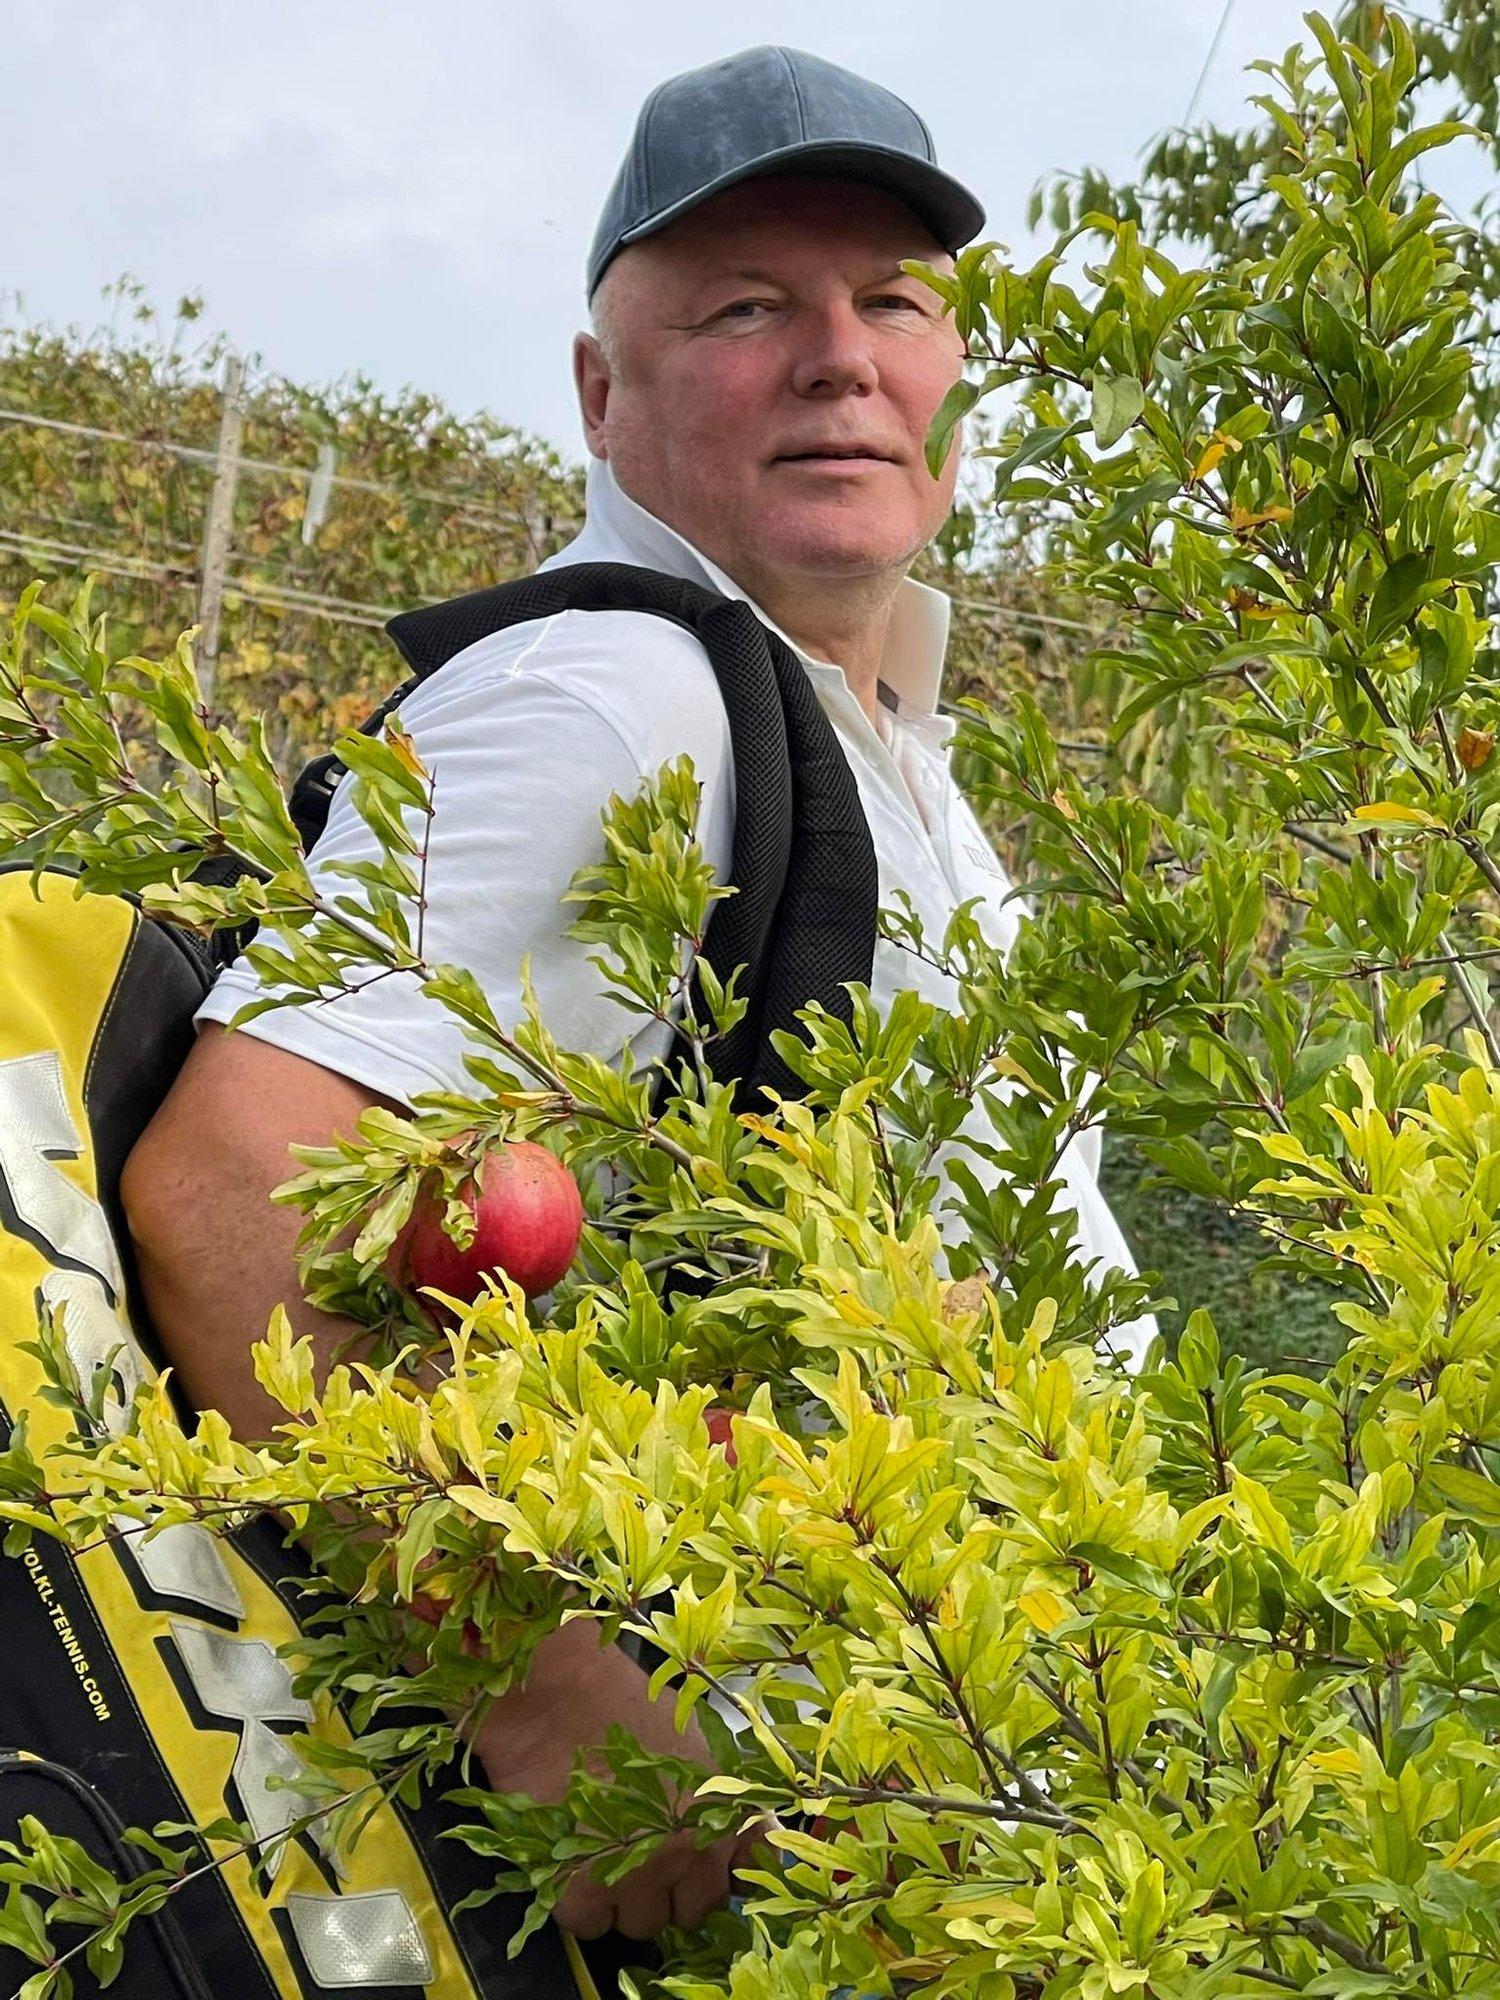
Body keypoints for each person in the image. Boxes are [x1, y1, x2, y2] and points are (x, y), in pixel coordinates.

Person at [121, 44, 1151, 1944]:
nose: (842, 357)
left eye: (895, 303)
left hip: (967, 1796)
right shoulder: (625, 700)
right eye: (749, 306)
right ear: (603, 396)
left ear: (951, 379)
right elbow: (225, 1189)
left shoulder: (891, 747)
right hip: (736, 1859)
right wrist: (549, 1695)